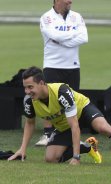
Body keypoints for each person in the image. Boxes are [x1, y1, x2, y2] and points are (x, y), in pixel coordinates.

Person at [8, 66, 111, 167]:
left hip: (83, 111)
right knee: (50, 159)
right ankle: (88, 147)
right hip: (64, 124)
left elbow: (75, 125)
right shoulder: (29, 101)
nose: (27, 91)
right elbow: (29, 123)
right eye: (25, 87)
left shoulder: (61, 92)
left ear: (41, 83)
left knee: (103, 128)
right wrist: (22, 149)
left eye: (30, 87)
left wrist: (76, 157)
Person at [35, 0, 89, 146]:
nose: (70, 1)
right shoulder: (46, 17)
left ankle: (74, 137)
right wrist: (72, 35)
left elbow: (84, 38)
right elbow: (53, 34)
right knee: (48, 100)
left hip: (72, 66)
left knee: (73, 102)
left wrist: (61, 40)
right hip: (52, 65)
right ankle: (47, 135)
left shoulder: (77, 17)